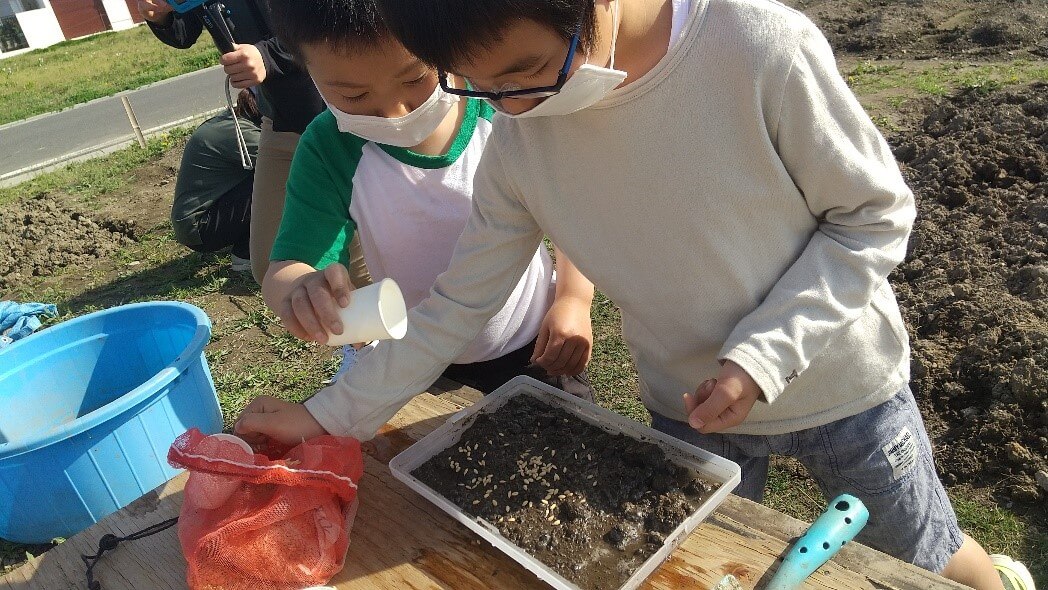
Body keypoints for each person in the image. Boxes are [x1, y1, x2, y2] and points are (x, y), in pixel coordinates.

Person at [233, 0, 1034, 588]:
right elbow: (453, 308)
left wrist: (762, 356)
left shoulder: (757, 48)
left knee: (922, 559)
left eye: (522, 74)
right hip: (687, 407)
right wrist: (325, 416)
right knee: (703, 565)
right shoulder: (518, 137)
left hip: (844, 387)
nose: (509, 107)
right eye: (475, 86)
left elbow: (872, 216)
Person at [243, 0, 596, 399]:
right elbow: (285, 268)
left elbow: (566, 210)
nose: (396, 113)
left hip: (535, 343)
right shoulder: (329, 150)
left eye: (415, 79)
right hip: (423, 363)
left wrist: (573, 298)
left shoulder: (495, 103)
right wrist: (302, 290)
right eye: (354, 95)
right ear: (306, 70)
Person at [136, 0, 366, 286]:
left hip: (338, 113)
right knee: (270, 265)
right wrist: (161, 17)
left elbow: (331, 18)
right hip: (281, 120)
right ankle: (344, 320)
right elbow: (185, 28)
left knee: (364, 262)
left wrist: (266, 56)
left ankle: (398, 320)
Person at [170, 89, 260, 269]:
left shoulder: (233, 120)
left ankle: (247, 241)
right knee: (276, 180)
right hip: (200, 228)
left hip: (196, 223)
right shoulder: (241, 132)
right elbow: (294, 163)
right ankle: (246, 254)